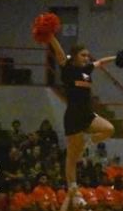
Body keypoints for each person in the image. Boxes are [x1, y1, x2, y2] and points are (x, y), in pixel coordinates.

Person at [46, 35, 115, 189]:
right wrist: (51, 36)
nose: (87, 58)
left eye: (88, 55)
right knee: (72, 158)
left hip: (88, 114)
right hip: (73, 117)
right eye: (83, 55)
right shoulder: (67, 69)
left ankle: (86, 142)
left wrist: (117, 58)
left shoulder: (87, 69)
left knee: (109, 129)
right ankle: (73, 188)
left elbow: (100, 62)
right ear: (74, 56)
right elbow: (59, 52)